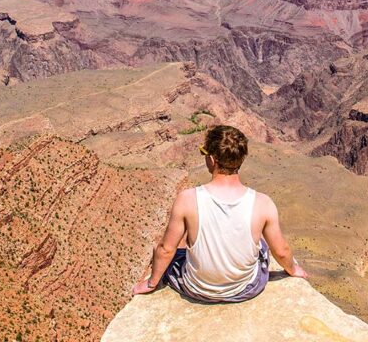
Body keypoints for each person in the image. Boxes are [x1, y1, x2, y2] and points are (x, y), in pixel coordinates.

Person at [132, 125, 308, 303]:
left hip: (196, 288)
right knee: (262, 245)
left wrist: (151, 283)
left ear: (212, 159)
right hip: (245, 289)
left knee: (176, 253)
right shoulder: (263, 203)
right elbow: (282, 251)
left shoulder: (187, 199)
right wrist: (293, 270)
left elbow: (166, 249)